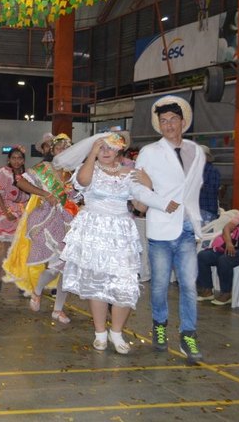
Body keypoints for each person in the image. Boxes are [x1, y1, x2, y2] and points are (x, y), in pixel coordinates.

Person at [58, 133, 147, 354]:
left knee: (125, 282)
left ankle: (116, 332)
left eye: (110, 148)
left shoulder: (130, 173)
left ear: (119, 150)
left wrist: (148, 185)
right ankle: (100, 332)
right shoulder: (88, 169)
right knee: (97, 283)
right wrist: (91, 155)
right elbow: (82, 182)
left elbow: (141, 208)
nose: (106, 152)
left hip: (121, 232)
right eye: (101, 147)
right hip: (94, 230)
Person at [132, 95, 206, 364]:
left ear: (183, 122)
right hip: (161, 228)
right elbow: (137, 188)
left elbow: (193, 190)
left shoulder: (195, 152)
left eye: (173, 119)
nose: (168, 125)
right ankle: (160, 326)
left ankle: (188, 334)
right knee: (160, 285)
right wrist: (163, 201)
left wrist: (197, 221)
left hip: (187, 228)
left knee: (188, 285)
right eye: (163, 121)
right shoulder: (149, 152)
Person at [2, 133, 76, 323]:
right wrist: (43, 193)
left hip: (66, 221)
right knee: (54, 264)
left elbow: (77, 196)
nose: (63, 151)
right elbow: (20, 181)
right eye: (59, 147)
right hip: (45, 220)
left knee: (64, 267)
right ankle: (37, 291)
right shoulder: (44, 168)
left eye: (67, 148)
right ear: (52, 150)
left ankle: (57, 308)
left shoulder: (73, 172)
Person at [0, 146, 31, 291]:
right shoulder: (3, 173)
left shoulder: (26, 174)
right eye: (13, 158)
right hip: (8, 212)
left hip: (23, 212)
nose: (16, 161)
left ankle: (20, 280)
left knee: (22, 248)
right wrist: (7, 212)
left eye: (19, 158)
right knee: (7, 248)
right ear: (9, 159)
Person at [199, 145, 221, 226]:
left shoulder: (212, 170)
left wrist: (198, 185)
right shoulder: (195, 170)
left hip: (206, 210)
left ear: (206, 157)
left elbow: (213, 189)